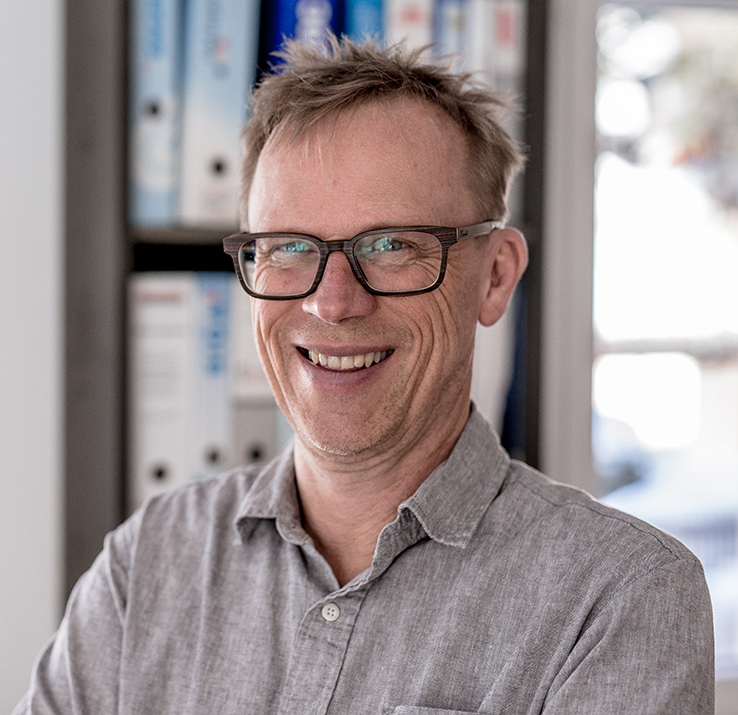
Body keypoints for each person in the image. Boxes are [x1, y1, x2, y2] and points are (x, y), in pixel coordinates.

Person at [15, 36, 714, 715]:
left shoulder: (618, 597)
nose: (333, 302)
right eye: (288, 246)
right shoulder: (150, 560)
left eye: (390, 245)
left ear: (496, 276)